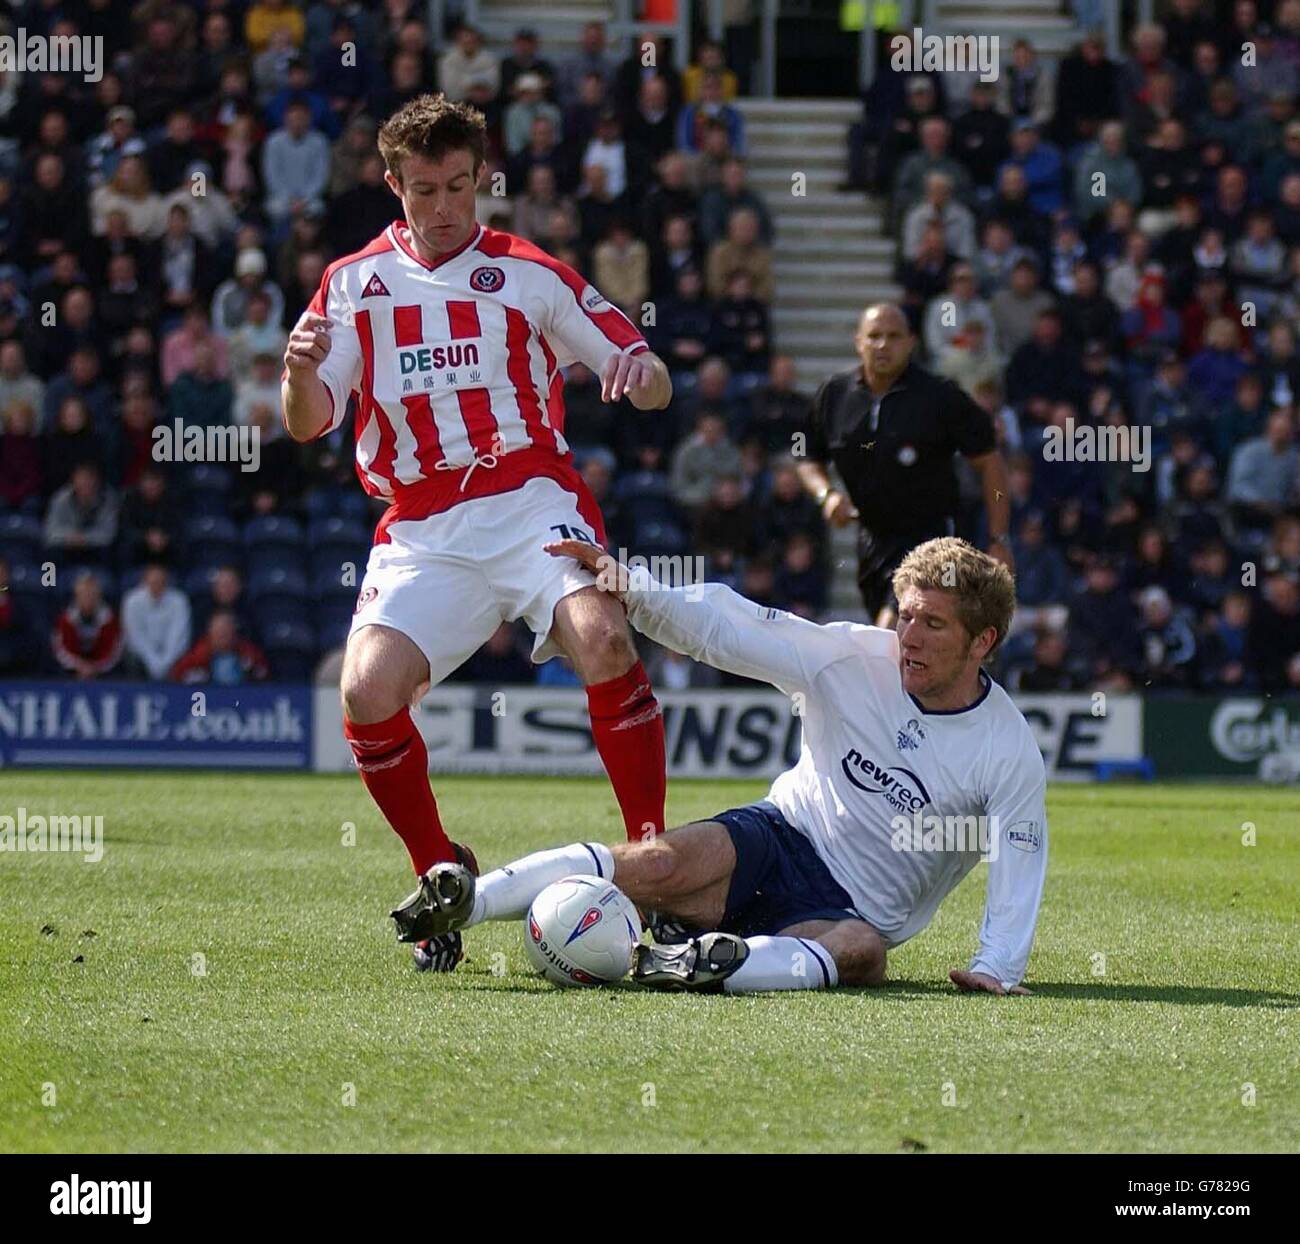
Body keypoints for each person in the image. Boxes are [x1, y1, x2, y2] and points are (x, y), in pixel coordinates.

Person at [281, 95, 673, 972]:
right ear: (394, 186)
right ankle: (440, 874)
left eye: (462, 186)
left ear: (481, 180)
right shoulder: (353, 283)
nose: (448, 206)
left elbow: (648, 379)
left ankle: (654, 861)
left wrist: (640, 371)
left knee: (604, 635)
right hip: (422, 523)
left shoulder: (528, 272)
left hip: (531, 497)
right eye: (426, 190)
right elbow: (308, 422)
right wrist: (297, 374)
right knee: (366, 694)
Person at [397, 537, 1047, 996]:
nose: (909, 636)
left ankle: (690, 963)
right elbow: (733, 627)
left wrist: (997, 965)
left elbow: (1020, 855)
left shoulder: (1007, 747)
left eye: (933, 624)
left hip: (849, 913)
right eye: (906, 616)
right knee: (655, 862)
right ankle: (465, 904)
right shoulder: (850, 658)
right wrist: (634, 589)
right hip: (778, 837)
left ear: (982, 641)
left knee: (862, 953)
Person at [796, 303, 1013, 624]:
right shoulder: (833, 395)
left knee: (897, 624)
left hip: (934, 537)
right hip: (872, 539)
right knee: (891, 638)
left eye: (894, 336)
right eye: (874, 336)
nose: (883, 344)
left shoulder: (940, 397)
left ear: (911, 342)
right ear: (859, 342)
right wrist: (825, 494)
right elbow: (805, 454)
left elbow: (990, 462)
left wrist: (999, 539)